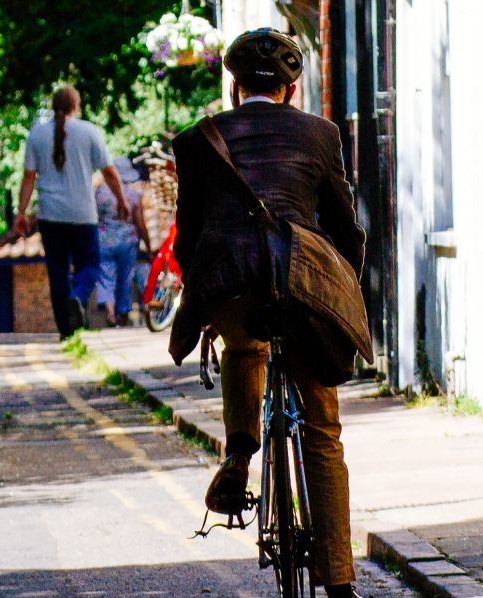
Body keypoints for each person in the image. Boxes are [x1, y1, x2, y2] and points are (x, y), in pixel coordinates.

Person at [166, 28, 365, 598]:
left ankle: (239, 448)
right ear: (290, 90)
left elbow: (189, 237)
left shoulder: (199, 141)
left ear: (234, 88)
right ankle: (340, 581)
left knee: (242, 344)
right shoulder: (321, 135)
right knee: (323, 429)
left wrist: (201, 304)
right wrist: (346, 288)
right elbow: (345, 228)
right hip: (302, 284)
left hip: (231, 282)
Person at [14, 86, 133, 339]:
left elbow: (28, 177)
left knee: (57, 270)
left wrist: (21, 212)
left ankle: (66, 332)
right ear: (75, 106)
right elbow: (110, 172)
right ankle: (77, 297)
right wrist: (122, 200)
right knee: (90, 264)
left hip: (50, 215)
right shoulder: (89, 132)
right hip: (82, 214)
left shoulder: (37, 134)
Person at [92, 157, 151, 326]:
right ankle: (123, 313)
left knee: (105, 277)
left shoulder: (98, 194)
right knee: (125, 277)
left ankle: (110, 311)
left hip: (103, 241)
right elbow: (140, 224)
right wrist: (148, 246)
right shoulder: (133, 196)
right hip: (127, 243)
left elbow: (92, 218)